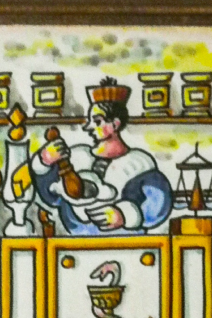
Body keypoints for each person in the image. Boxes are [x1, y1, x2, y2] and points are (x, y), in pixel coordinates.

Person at [30, 76, 173, 235]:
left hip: (129, 242)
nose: (88, 127)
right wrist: (45, 161)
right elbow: (51, 197)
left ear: (115, 124)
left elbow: (159, 204)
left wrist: (124, 216)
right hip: (78, 241)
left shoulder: (139, 164)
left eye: (97, 121)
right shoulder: (77, 156)